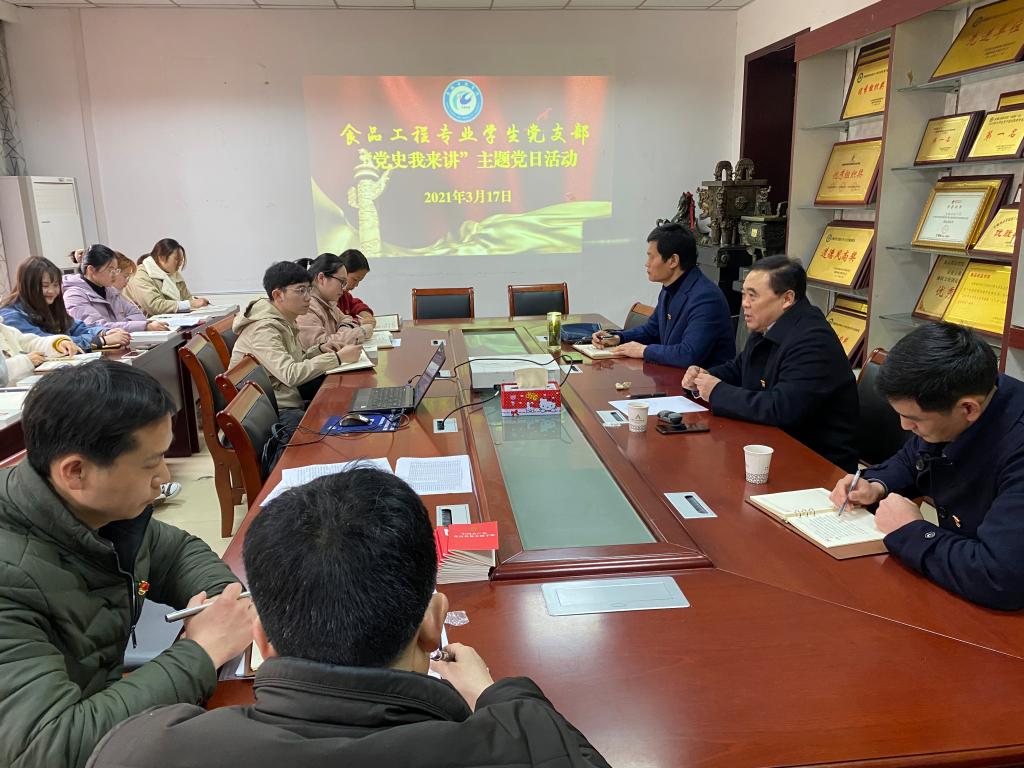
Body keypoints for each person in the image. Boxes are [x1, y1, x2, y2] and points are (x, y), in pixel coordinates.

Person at [88, 467, 611, 768]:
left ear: (260, 639)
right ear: (434, 625)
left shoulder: (142, 750)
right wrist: (495, 694)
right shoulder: (531, 744)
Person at [0, 360, 254, 768]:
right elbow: (48, 747)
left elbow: (175, 552)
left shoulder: (96, 509)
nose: (164, 476)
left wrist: (221, 602)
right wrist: (202, 651)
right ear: (76, 472)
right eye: (151, 463)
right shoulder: (10, 578)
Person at [828, 322, 1024, 610]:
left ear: (968, 409)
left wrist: (912, 529)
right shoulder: (972, 391)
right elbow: (913, 459)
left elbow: (998, 577)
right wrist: (875, 486)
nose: (904, 427)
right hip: (957, 586)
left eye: (914, 420)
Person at [682, 255, 859, 471]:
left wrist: (717, 391)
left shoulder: (813, 340)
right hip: (773, 446)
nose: (745, 304)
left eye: (753, 296)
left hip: (818, 463)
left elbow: (781, 408)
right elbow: (739, 369)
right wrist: (703, 377)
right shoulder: (768, 325)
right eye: (744, 294)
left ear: (787, 299)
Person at [590, 222, 735, 369]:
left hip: (702, 381)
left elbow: (689, 354)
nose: (647, 264)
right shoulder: (668, 289)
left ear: (673, 261)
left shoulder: (706, 298)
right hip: (674, 375)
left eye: (652, 257)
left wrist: (644, 350)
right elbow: (651, 331)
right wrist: (617, 337)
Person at [231, 261, 361, 411]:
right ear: (278, 295)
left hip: (286, 396)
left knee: (347, 394)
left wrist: (319, 350)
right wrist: (337, 358)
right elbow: (290, 374)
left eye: (309, 290)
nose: (308, 297)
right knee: (339, 406)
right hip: (272, 410)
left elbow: (294, 362)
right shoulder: (263, 329)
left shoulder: (285, 318)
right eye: (300, 291)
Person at [0, 257, 130, 350]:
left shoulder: (51, 306)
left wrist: (104, 332)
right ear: (28, 286)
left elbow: (76, 327)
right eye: (45, 286)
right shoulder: (10, 316)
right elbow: (49, 343)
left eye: (56, 285)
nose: (51, 291)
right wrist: (100, 341)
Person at [63, 245, 171, 333]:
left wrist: (118, 325)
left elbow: (139, 316)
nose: (114, 275)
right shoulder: (74, 296)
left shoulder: (109, 291)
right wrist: (139, 326)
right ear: (91, 270)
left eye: (116, 270)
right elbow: (97, 328)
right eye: (110, 270)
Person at [296, 253, 368, 349]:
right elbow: (321, 346)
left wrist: (343, 331)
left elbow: (347, 319)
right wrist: (361, 332)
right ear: (321, 278)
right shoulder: (306, 307)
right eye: (342, 282)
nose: (344, 288)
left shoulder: (328, 302)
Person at [124, 238, 209, 315]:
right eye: (177, 259)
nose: (180, 263)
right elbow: (153, 305)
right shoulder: (141, 274)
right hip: (146, 323)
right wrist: (189, 304)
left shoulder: (173, 273)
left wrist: (196, 302)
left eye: (181, 260)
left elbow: (187, 298)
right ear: (161, 257)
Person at [337, 248, 375, 329]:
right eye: (354, 279)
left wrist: (366, 314)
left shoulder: (344, 295)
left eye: (359, 281)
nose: (356, 285)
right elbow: (338, 323)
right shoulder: (328, 299)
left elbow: (355, 304)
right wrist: (358, 322)